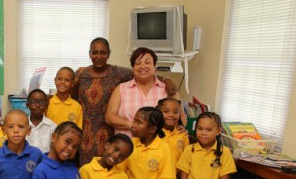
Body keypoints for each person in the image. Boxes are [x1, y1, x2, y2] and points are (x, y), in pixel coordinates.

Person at [72, 38, 133, 166]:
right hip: (84, 133)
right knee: (84, 170)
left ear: (109, 54)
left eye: (103, 53)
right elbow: (71, 98)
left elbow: (141, 74)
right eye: (95, 52)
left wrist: (166, 80)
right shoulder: (80, 74)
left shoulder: (118, 73)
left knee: (104, 168)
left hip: (107, 132)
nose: (98, 56)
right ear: (90, 54)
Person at [106, 47, 184, 139]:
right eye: (138, 63)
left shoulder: (168, 89)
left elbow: (181, 117)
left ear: (154, 66)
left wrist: (180, 127)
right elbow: (109, 117)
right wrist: (132, 125)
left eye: (147, 62)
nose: (142, 66)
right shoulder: (121, 89)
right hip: (127, 144)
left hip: (161, 145)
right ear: (133, 68)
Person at [25, 89, 57, 154]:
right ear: (27, 104)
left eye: (42, 102)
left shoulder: (52, 127)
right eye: (33, 102)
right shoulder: (22, 125)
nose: (38, 105)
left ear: (47, 105)